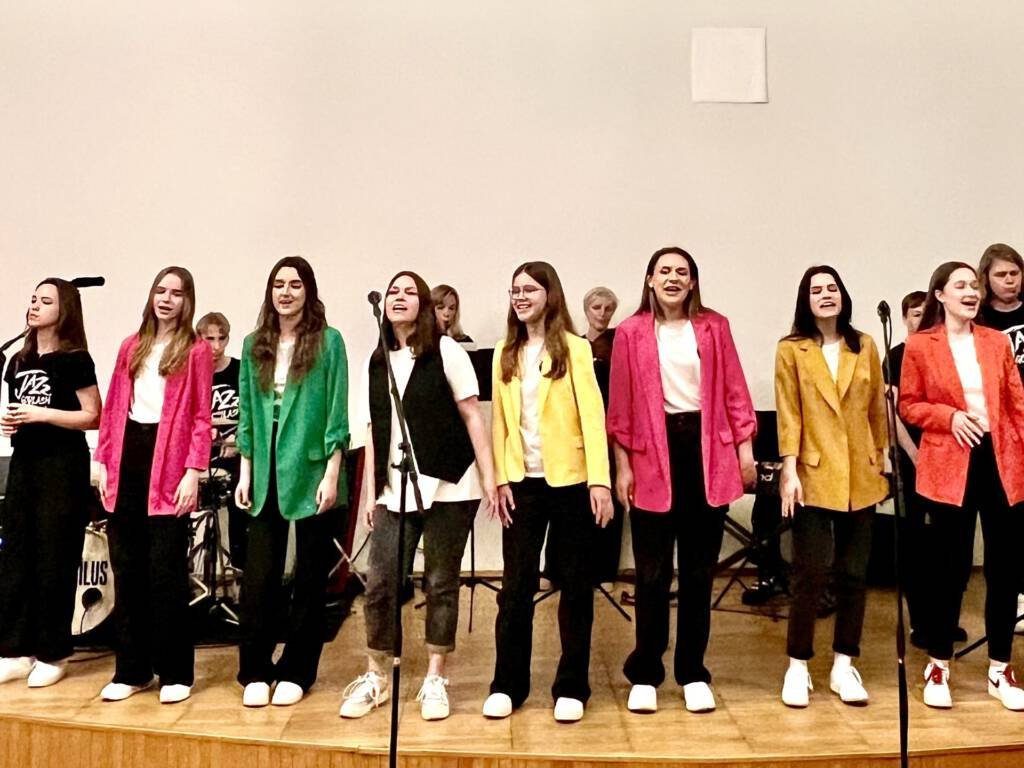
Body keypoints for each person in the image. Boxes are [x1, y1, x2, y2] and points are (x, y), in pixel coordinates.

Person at [339, 271, 496, 722]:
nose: (399, 297)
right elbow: (373, 429)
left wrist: (490, 478)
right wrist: (372, 494)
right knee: (381, 583)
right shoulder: (376, 361)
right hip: (395, 488)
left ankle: (435, 676)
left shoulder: (445, 351)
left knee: (441, 582)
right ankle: (377, 675)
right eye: (394, 291)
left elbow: (472, 415)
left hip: (450, 485)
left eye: (410, 292)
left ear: (423, 305)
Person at [607, 247, 756, 714]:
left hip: (706, 452)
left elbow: (735, 392)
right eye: (664, 271)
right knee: (651, 573)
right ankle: (646, 671)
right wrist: (623, 466)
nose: (673, 278)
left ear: (693, 282)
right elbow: (620, 407)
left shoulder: (715, 327)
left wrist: (745, 454)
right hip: (652, 455)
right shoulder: (630, 332)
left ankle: (692, 671)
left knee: (697, 573)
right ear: (650, 279)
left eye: (682, 272)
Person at [482, 261, 612, 723]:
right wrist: (499, 478)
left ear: (549, 295)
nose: (521, 297)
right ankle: (507, 685)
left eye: (530, 290)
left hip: (571, 480)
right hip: (522, 483)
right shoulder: (504, 352)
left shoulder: (576, 348)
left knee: (575, 585)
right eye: (515, 290)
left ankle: (572, 686)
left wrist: (600, 480)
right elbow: (499, 422)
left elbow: (593, 417)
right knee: (515, 587)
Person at [899, 261, 1024, 711]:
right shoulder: (920, 345)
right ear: (940, 295)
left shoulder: (995, 341)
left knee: (1004, 568)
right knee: (949, 569)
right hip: (950, 460)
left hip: (1000, 459)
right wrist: (949, 417)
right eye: (961, 285)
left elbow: (1016, 401)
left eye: (974, 285)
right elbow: (909, 404)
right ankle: (939, 664)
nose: (971, 292)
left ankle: (1000, 668)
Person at [94, 266, 213, 704]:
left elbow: (201, 416)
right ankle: (132, 670)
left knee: (166, 574)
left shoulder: (196, 350)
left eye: (176, 293)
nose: (166, 299)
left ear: (187, 301)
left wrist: (193, 470)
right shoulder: (131, 345)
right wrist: (102, 460)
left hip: (169, 463)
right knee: (127, 570)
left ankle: (176, 672)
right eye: (160, 290)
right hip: (128, 458)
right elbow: (112, 408)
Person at [234, 256, 349, 708]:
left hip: (312, 465)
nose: (285, 292)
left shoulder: (329, 341)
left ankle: (298, 670)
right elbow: (247, 412)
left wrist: (332, 473)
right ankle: (255, 669)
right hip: (264, 468)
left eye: (295, 285)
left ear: (309, 292)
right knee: (259, 577)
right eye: (278, 284)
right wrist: (246, 471)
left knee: (310, 576)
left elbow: (337, 410)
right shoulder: (253, 344)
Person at [775, 265, 888, 708]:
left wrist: (882, 459)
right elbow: (789, 411)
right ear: (805, 300)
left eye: (832, 288)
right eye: (817, 290)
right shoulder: (792, 349)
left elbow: (876, 408)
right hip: (812, 472)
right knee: (810, 573)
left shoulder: (865, 345)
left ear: (843, 295)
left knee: (855, 573)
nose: (826, 295)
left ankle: (844, 663)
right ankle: (798, 664)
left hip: (861, 474)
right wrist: (789, 469)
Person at [0, 279, 101, 688]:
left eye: (46, 301)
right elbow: (20, 410)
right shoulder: (18, 360)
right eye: (33, 299)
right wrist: (12, 423)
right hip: (25, 463)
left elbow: (93, 415)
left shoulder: (75, 359)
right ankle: (15, 649)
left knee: (54, 558)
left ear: (65, 310)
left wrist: (42, 415)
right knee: (16, 556)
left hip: (62, 466)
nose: (35, 306)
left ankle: (53, 652)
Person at [882, 291, 949, 649]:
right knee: (913, 541)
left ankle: (943, 621)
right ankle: (919, 622)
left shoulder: (944, 352)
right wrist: (912, 453)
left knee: (944, 542)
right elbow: (891, 411)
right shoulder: (896, 356)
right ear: (905, 318)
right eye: (915, 313)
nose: (921, 319)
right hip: (912, 461)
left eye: (927, 314)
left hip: (945, 458)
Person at [975, 243, 1024, 631]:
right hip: (998, 431)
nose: (1009, 280)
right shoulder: (980, 320)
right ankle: (1012, 600)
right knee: (1005, 526)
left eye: (1014, 273)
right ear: (986, 279)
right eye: (1001, 275)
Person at [197, 311, 246, 568]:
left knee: (243, 496)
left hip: (236, 456)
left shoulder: (240, 370)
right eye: (210, 339)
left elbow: (252, 414)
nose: (216, 346)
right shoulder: (192, 374)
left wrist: (237, 440)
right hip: (201, 458)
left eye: (221, 338)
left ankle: (239, 564)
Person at [432, 284, 476, 349]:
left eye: (451, 308)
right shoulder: (423, 342)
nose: (446, 313)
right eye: (440, 308)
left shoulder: (465, 341)